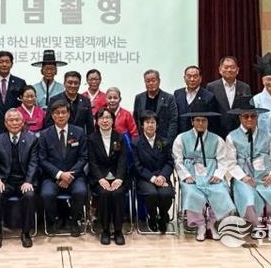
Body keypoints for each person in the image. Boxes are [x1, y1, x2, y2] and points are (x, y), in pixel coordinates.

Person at [225, 96, 271, 237]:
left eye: (253, 116)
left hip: (265, 176)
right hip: (244, 178)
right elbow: (231, 163)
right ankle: (256, 226)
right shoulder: (232, 137)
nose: (249, 119)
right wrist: (243, 177)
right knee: (248, 197)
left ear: (257, 117)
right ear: (240, 118)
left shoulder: (267, 136)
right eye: (246, 116)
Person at [172, 108, 235, 241]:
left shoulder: (217, 139)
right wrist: (185, 175)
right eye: (197, 120)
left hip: (211, 173)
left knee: (221, 191)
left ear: (207, 122)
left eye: (204, 120)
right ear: (192, 122)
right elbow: (177, 160)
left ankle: (211, 224)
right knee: (191, 193)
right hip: (191, 174)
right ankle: (200, 225)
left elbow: (223, 160)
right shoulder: (181, 138)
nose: (200, 123)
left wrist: (218, 175)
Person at [0, 109, 39, 249]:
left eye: (17, 120)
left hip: (24, 180)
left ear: (22, 122)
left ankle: (26, 233)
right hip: (5, 181)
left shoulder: (32, 139)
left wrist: (28, 181)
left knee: (29, 195)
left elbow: (34, 163)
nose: (14, 123)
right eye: (11, 120)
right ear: (5, 124)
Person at [39, 100, 88, 236]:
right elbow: (42, 160)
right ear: (52, 115)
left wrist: (69, 176)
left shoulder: (79, 132)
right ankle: (55, 219)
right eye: (57, 113)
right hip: (52, 176)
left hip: (75, 176)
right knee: (46, 194)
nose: (60, 115)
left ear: (69, 114)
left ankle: (73, 220)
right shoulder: (44, 134)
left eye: (63, 112)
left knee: (81, 192)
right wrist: (60, 174)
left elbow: (83, 157)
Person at [88, 108, 128, 245]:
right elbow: (92, 162)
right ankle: (105, 230)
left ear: (113, 120)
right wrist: (100, 179)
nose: (105, 121)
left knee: (118, 194)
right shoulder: (91, 139)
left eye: (108, 118)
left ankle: (118, 231)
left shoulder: (120, 137)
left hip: (117, 177)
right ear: (97, 121)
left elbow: (123, 160)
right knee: (104, 194)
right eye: (101, 118)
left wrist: (119, 178)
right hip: (99, 178)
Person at [132, 110, 175, 234]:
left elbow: (169, 162)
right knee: (151, 193)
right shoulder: (136, 143)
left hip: (162, 176)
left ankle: (162, 215)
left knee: (166, 194)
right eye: (147, 122)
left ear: (157, 125)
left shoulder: (165, 141)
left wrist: (162, 176)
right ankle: (152, 215)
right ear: (142, 125)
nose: (150, 125)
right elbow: (137, 166)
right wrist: (152, 178)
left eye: (153, 122)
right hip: (145, 177)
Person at [206, 56, 253, 138]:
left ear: (237, 70)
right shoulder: (211, 87)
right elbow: (209, 111)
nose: (229, 70)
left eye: (232, 67)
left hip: (239, 132)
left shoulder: (245, 87)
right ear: (220, 70)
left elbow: (247, 110)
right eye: (226, 67)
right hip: (217, 132)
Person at [133, 69, 178, 143]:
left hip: (163, 139)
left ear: (159, 81)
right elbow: (136, 119)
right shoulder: (139, 98)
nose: (151, 83)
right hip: (143, 140)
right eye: (148, 81)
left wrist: (169, 140)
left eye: (153, 80)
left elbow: (173, 121)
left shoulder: (169, 98)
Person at [173, 65, 219, 135]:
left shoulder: (209, 96)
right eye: (189, 76)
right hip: (180, 135)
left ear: (200, 78)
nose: (192, 79)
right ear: (184, 78)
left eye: (195, 76)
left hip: (200, 135)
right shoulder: (177, 94)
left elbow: (212, 122)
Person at [48, 71, 94, 135]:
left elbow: (90, 125)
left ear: (79, 84)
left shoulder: (85, 101)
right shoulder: (54, 100)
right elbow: (49, 123)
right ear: (64, 83)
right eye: (70, 83)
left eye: (76, 83)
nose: (73, 85)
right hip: (60, 137)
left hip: (80, 137)